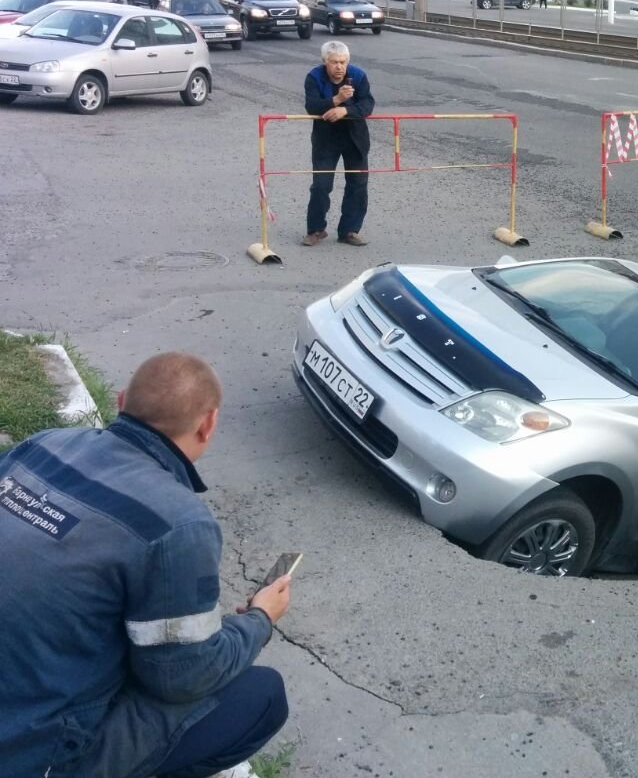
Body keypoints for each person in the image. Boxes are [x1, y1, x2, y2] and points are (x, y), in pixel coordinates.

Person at [0, 352, 292, 778]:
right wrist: (260, 620)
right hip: (30, 751)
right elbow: (181, 678)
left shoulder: (40, 447)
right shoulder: (177, 523)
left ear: (121, 401)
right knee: (262, 696)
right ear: (207, 425)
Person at [302, 40, 376, 247]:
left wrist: (346, 110)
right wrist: (335, 100)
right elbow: (312, 106)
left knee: (358, 185)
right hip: (326, 139)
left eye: (343, 62)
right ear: (325, 61)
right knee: (321, 185)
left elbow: (367, 105)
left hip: (355, 139)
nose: (339, 67)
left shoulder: (359, 76)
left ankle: (349, 231)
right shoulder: (314, 77)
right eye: (334, 62)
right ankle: (316, 229)